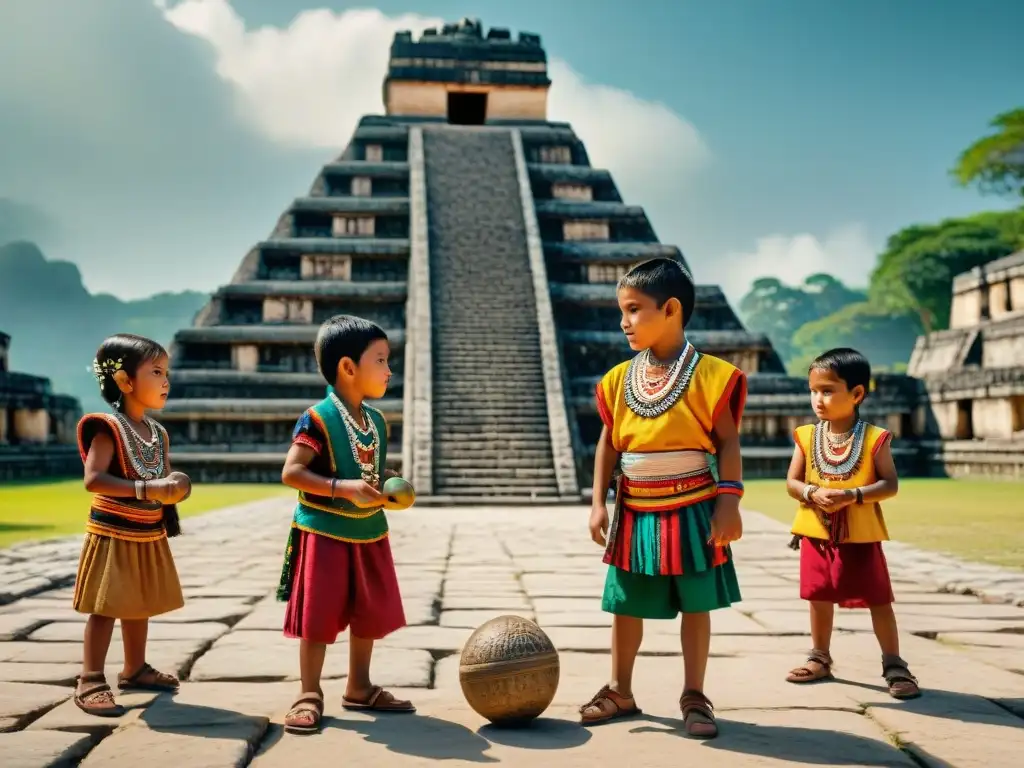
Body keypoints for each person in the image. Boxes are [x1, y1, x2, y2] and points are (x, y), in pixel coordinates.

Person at [581, 258, 746, 738]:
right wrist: (598, 502)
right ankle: (620, 689)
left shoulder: (713, 376)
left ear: (670, 308)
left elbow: (728, 441)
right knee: (625, 603)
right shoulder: (616, 381)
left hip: (696, 506)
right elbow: (609, 442)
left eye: (633, 310)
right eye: (621, 311)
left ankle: (694, 694)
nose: (623, 322)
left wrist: (729, 499)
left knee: (697, 604)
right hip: (635, 509)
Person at [277, 314, 412, 735]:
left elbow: (369, 466)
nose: (389, 370)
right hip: (325, 530)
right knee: (319, 614)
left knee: (366, 609)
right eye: (381, 360)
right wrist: (341, 487)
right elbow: (292, 472)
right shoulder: (317, 419)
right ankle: (309, 691)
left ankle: (359, 685)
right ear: (348, 367)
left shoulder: (375, 421)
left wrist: (388, 483)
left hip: (368, 529)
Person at [784, 347, 921, 699]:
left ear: (857, 393)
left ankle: (894, 664)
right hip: (816, 531)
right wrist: (813, 493)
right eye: (813, 390)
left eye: (828, 390)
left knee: (877, 597)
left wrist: (853, 495)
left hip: (860, 534)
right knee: (818, 596)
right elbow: (793, 483)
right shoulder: (806, 436)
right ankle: (820, 656)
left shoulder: (875, 439)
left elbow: (889, 484)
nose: (818, 399)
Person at [73, 334, 192, 717]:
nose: (165, 381)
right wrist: (149, 488)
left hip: (146, 531)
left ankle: (134, 667)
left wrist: (174, 487)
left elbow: (159, 477)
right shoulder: (109, 429)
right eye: (156, 372)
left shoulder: (157, 433)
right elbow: (94, 480)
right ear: (125, 382)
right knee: (107, 606)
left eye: (167, 373)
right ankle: (90, 677)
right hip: (113, 533)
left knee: (138, 603)